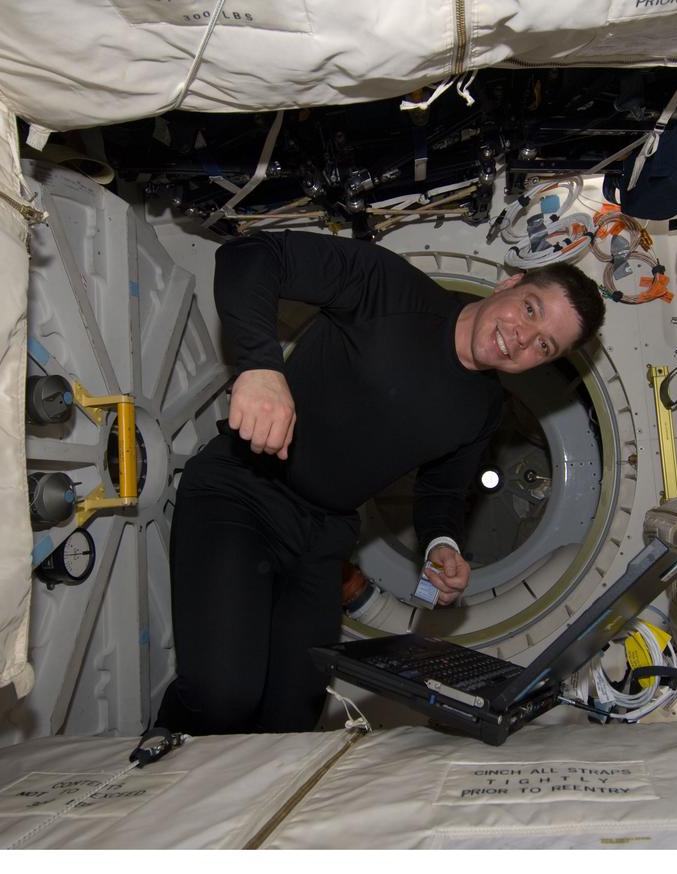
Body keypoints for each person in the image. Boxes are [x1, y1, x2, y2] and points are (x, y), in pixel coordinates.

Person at [156, 230, 605, 735]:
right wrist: (261, 366)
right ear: (510, 283)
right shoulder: (388, 287)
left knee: (291, 721)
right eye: (530, 309)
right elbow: (250, 255)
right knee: (222, 699)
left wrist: (442, 543)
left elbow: (441, 491)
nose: (523, 337)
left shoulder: (483, 409)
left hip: (322, 542)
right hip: (243, 493)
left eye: (544, 345)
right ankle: (150, 768)